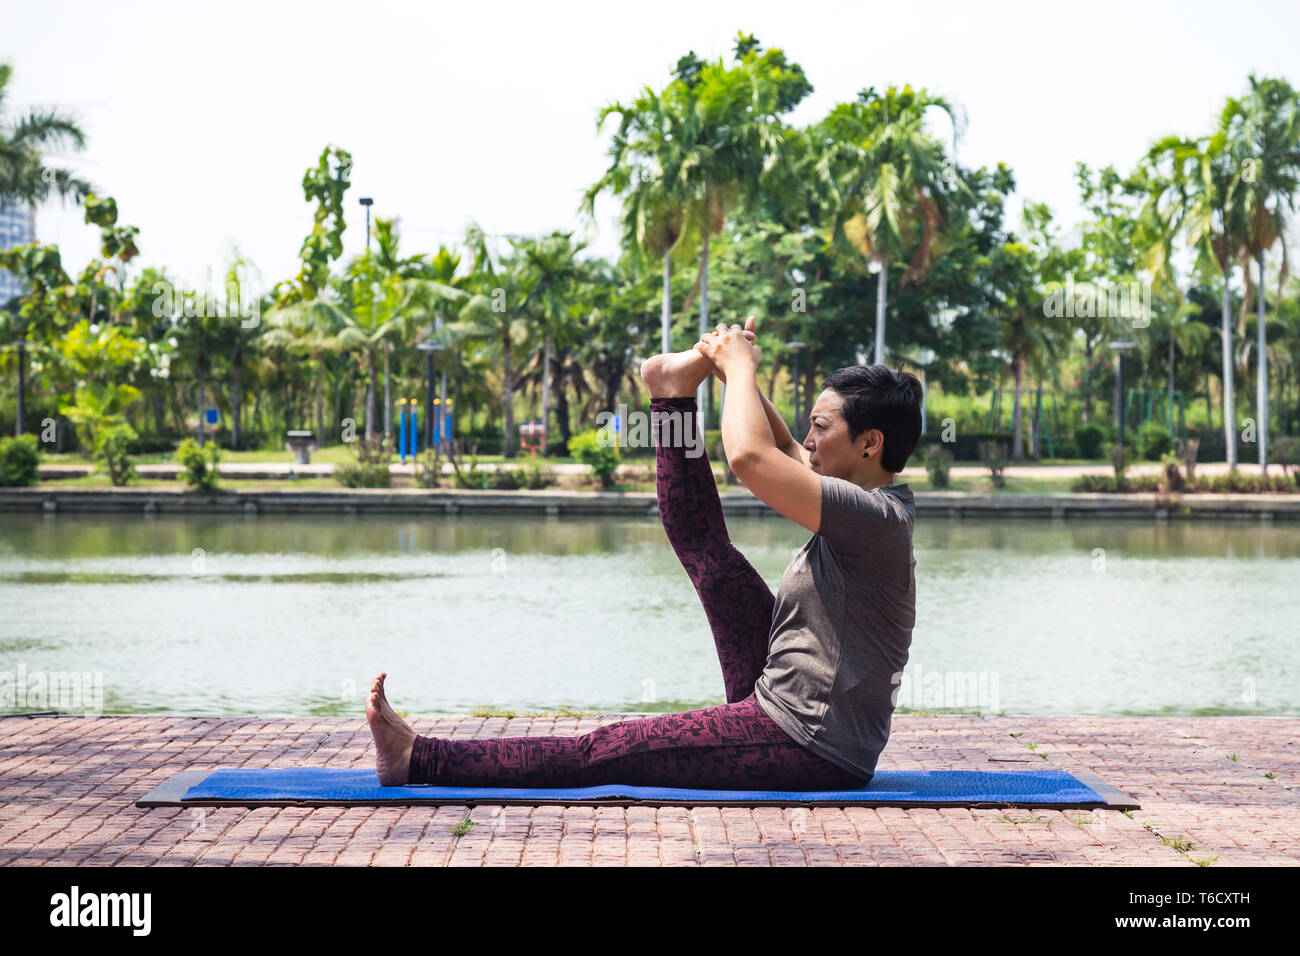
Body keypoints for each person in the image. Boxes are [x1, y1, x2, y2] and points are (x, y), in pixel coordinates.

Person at [366, 314, 923, 790]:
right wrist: (730, 370)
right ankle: (670, 393)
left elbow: (751, 457)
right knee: (712, 556)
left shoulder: (875, 518)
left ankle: (420, 758)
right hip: (787, 690)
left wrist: (742, 371)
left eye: (821, 428)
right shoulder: (865, 499)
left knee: (613, 747)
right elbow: (779, 446)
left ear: (869, 443)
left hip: (810, 742)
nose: (807, 441)